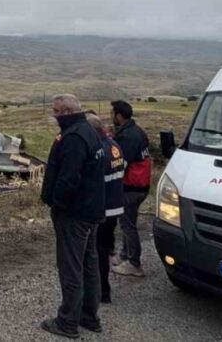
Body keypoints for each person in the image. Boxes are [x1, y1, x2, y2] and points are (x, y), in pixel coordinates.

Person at [39, 95, 106, 338]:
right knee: (88, 264)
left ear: (66, 112)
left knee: (71, 268)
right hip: (91, 209)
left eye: (56, 111)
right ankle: (89, 317)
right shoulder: (88, 130)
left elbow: (69, 180)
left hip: (74, 214)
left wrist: (57, 204)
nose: (54, 116)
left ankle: (67, 322)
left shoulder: (74, 138)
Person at [110, 100, 151, 278]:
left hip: (131, 187)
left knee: (128, 225)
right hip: (141, 186)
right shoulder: (137, 131)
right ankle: (125, 256)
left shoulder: (127, 136)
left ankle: (134, 264)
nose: (112, 117)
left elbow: (120, 164)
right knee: (127, 222)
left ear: (118, 115)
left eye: (113, 114)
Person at [88, 111, 125, 303]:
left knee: (98, 250)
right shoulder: (114, 145)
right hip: (116, 205)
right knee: (104, 246)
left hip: (103, 208)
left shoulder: (98, 150)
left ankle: (102, 291)